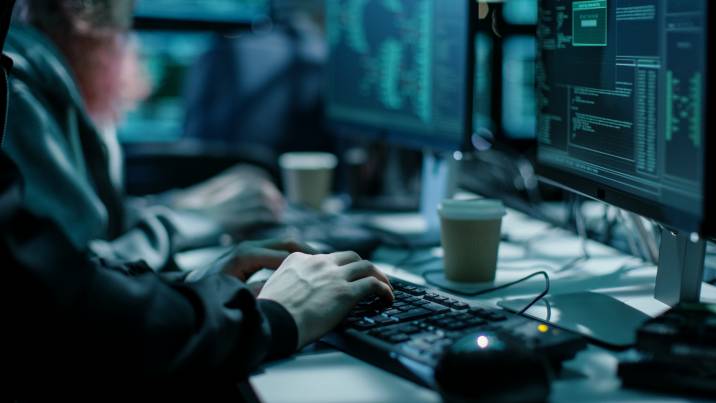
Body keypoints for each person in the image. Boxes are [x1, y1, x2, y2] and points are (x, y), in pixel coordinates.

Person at [1, 4, 394, 399]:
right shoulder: (18, 84)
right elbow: (68, 318)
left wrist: (194, 288)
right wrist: (271, 316)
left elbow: (54, 280)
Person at [3, 0, 285, 272]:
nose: (125, 46)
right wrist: (199, 220)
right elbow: (86, 272)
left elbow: (100, 222)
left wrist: (183, 204)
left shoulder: (42, 71)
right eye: (122, 27)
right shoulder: (20, 91)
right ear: (82, 19)